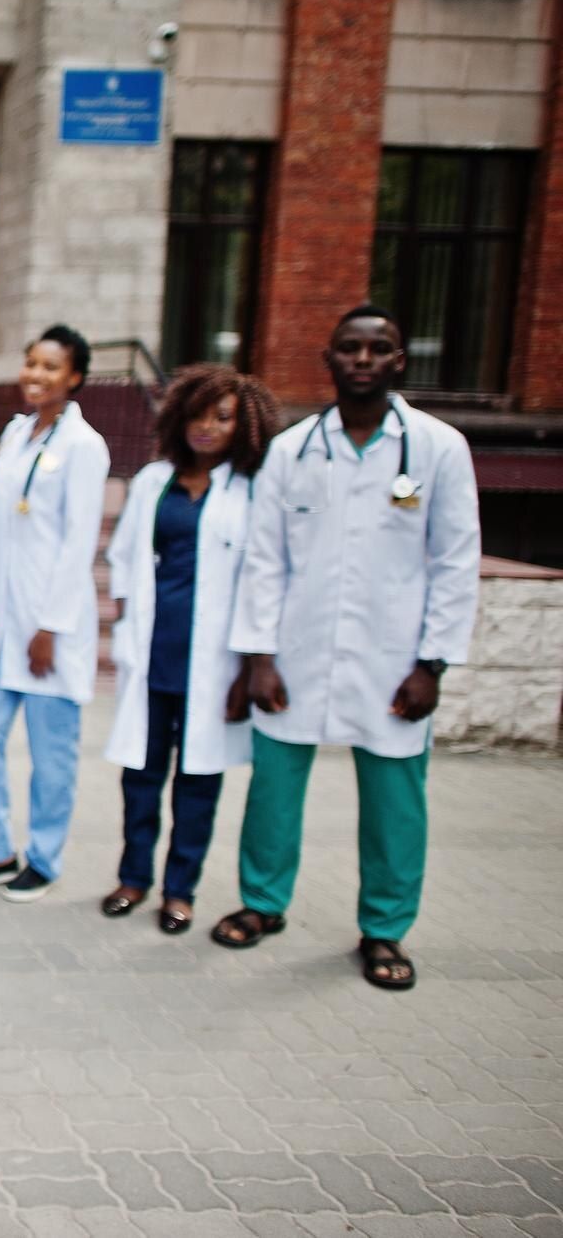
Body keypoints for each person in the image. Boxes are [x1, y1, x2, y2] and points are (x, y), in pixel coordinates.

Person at [215, 305, 480, 991]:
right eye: (351, 349)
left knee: (395, 796)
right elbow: (264, 557)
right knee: (274, 784)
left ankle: (385, 927)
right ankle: (263, 902)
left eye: (380, 348)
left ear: (400, 361)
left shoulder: (438, 448)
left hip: (393, 658)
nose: (364, 360)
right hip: (295, 651)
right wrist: (259, 654)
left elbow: (456, 561)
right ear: (328, 359)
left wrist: (433, 663)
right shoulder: (292, 448)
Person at [101, 365, 280, 934]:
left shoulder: (250, 491)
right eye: (198, 414)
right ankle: (133, 878)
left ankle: (181, 891)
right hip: (153, 657)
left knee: (199, 783)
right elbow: (125, 560)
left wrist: (249, 668)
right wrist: (127, 624)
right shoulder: (155, 481)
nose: (206, 427)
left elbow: (262, 581)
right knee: (141, 779)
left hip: (217, 665)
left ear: (243, 426)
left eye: (221, 417)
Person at [0, 324, 110, 902]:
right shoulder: (18, 433)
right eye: (30, 364)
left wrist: (51, 627)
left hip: (49, 627)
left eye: (50, 367)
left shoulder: (84, 446)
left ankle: (43, 859)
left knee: (51, 754)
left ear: (74, 378)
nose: (36, 375)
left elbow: (79, 543)